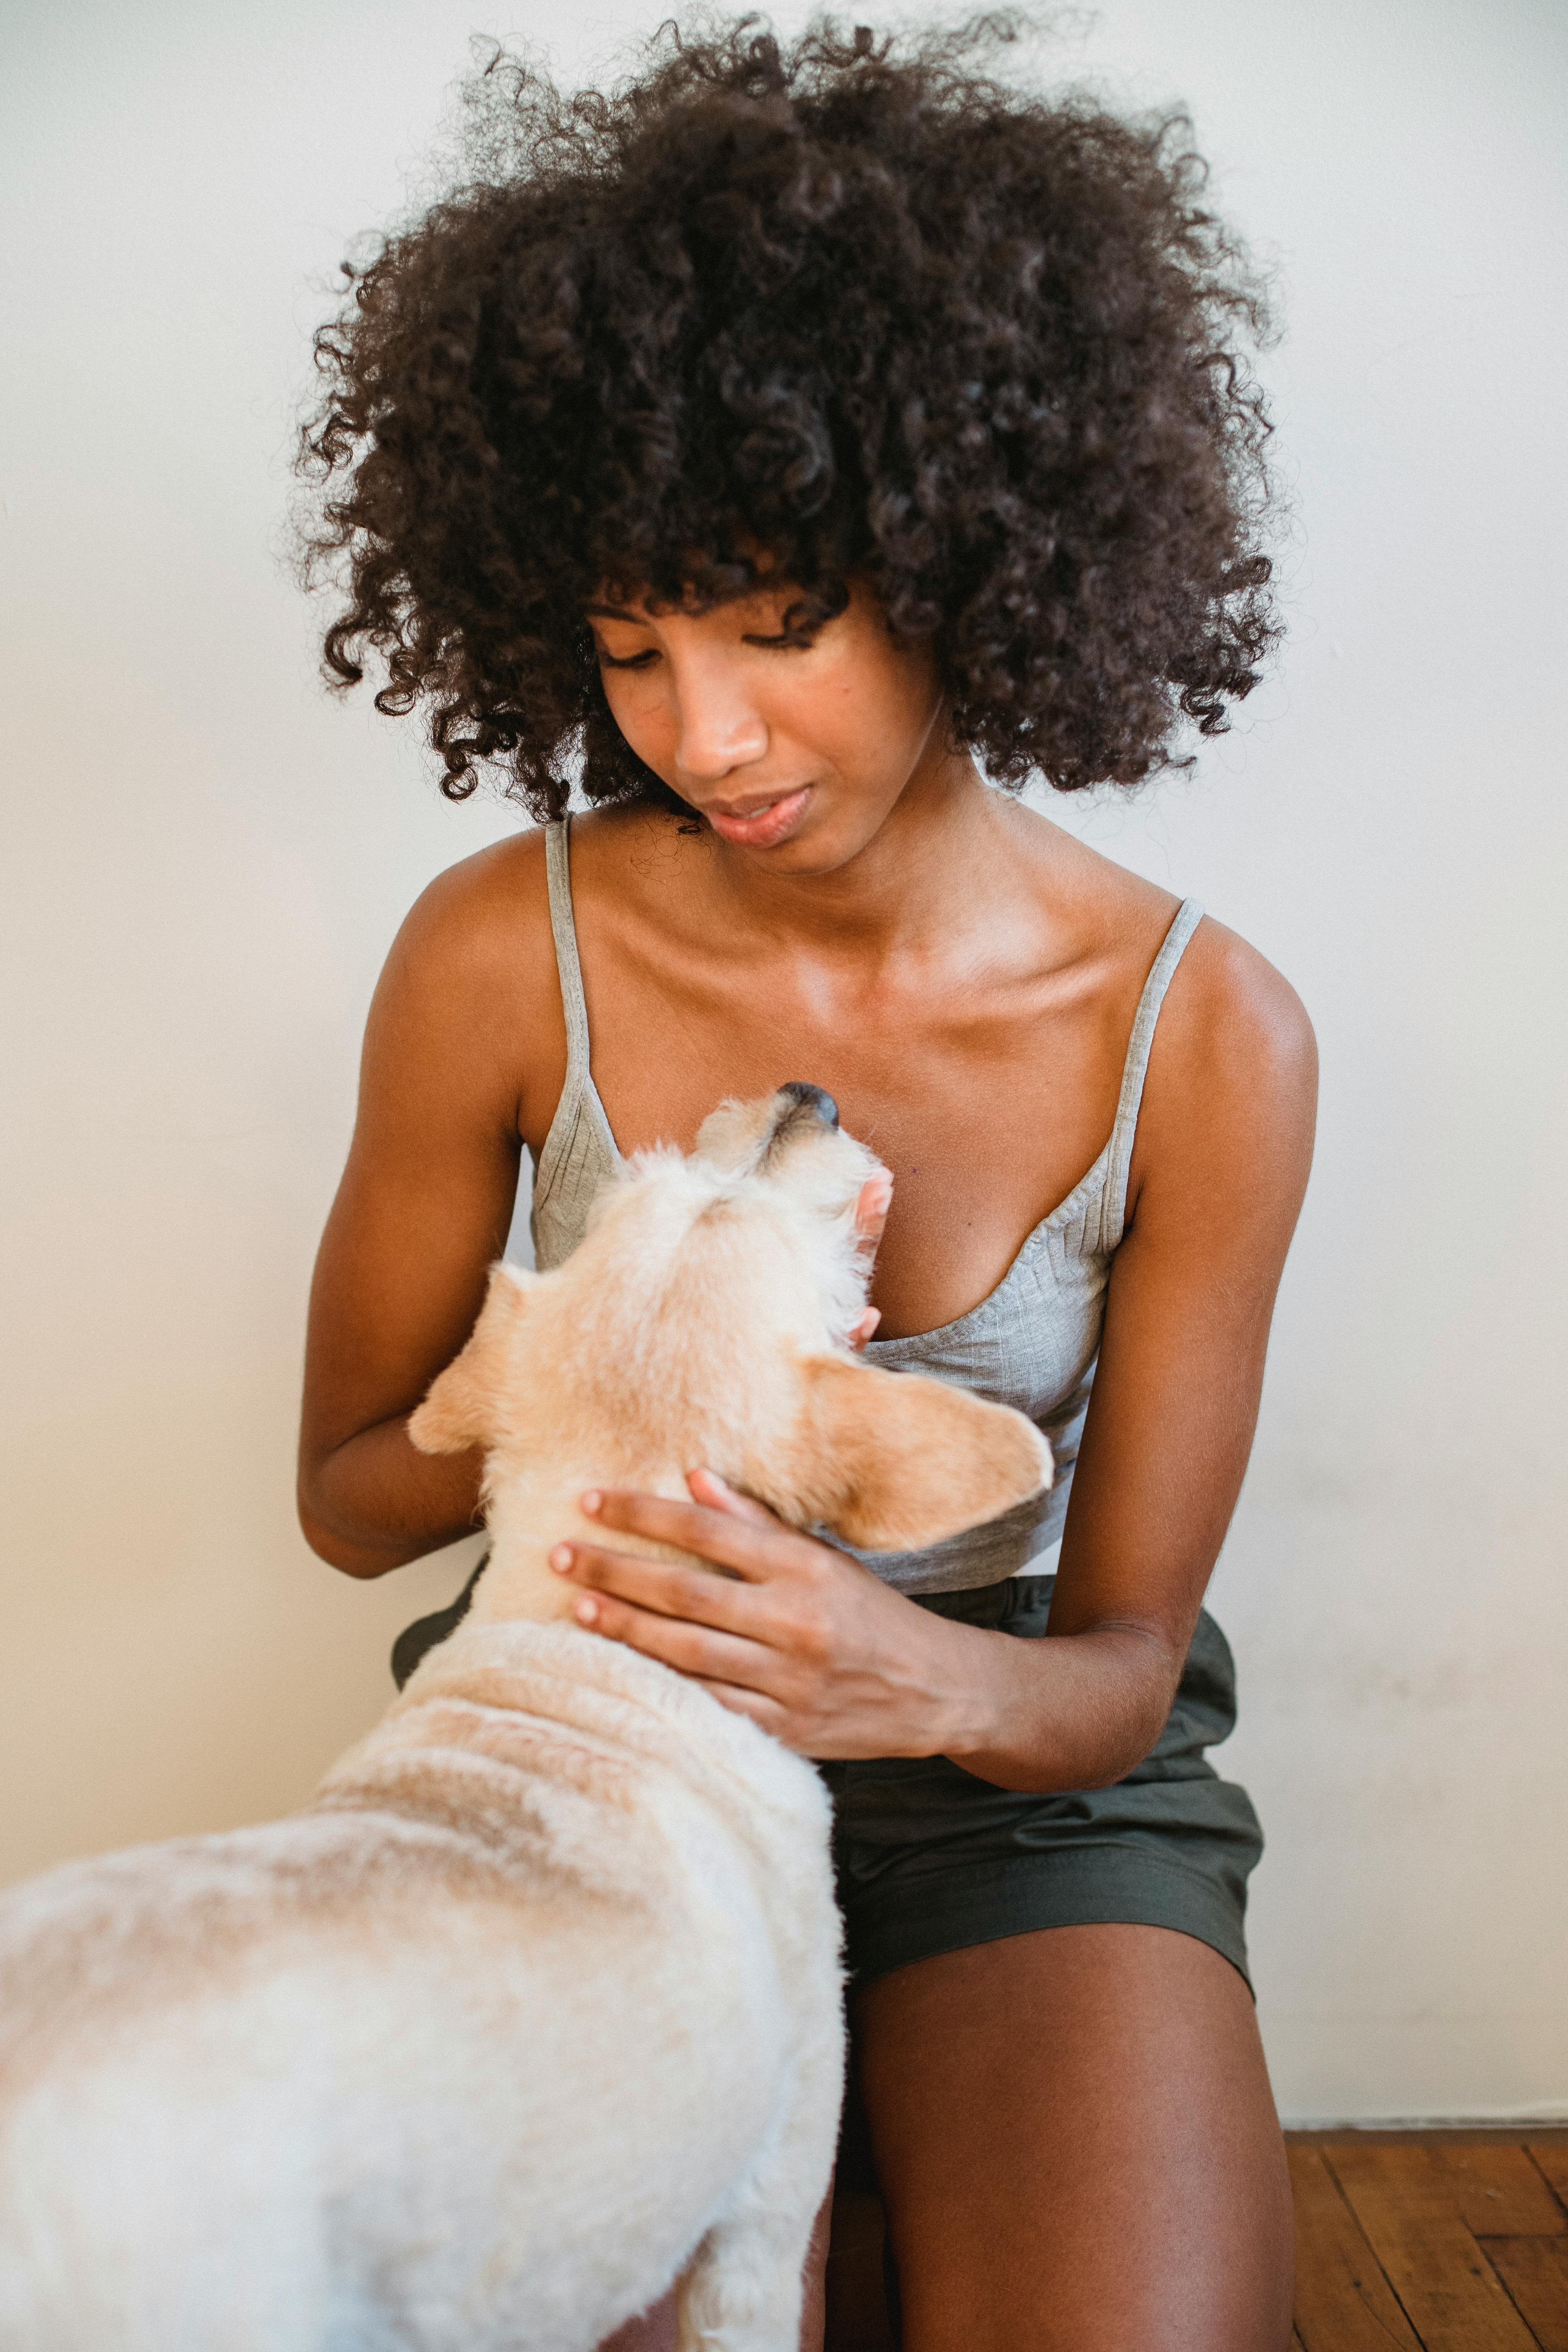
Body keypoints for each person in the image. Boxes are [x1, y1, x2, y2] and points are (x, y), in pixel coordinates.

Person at [295, 20, 1316, 2348]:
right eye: (632, 648)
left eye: (778, 627)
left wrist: (891, 1660)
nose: (703, 738)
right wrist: (569, 1378)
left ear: (971, 548)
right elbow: (353, 1501)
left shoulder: (1206, 1038)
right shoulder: (500, 953)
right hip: (592, 1753)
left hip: (1014, 1791)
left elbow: (1125, 1673)